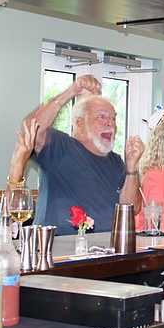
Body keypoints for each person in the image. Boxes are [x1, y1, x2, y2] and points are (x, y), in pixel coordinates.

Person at [27, 75, 144, 235]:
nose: (110, 123)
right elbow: (32, 128)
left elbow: (131, 208)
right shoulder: (61, 147)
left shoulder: (115, 161)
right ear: (80, 122)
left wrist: (131, 167)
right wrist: (70, 92)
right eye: (101, 116)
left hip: (106, 249)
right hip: (60, 248)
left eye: (114, 118)